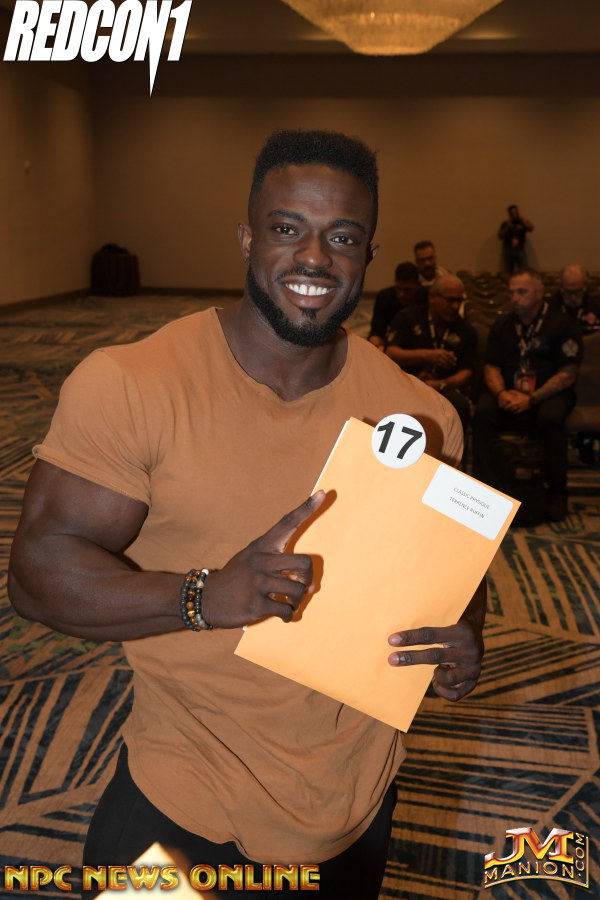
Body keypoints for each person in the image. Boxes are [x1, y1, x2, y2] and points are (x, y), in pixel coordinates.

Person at [8, 130, 486, 900]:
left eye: (343, 237)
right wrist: (204, 595)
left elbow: (454, 582)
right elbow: (37, 573)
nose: (315, 257)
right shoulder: (134, 384)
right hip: (182, 796)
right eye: (287, 227)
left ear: (369, 255)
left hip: (352, 806)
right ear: (246, 237)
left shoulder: (420, 418)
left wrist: (462, 640)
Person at [472, 268, 583, 522]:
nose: (514, 298)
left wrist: (532, 399)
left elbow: (568, 374)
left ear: (539, 293)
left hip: (549, 393)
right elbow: (491, 366)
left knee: (551, 418)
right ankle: (484, 488)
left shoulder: (562, 325)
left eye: (522, 292)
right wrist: (501, 393)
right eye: (512, 292)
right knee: (484, 412)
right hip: (509, 391)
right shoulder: (503, 325)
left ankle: (556, 491)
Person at [385, 275, 476, 436]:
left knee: (460, 405)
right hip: (408, 384)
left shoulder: (466, 330)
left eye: (459, 300)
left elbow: (466, 372)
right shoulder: (408, 317)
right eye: (450, 300)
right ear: (432, 297)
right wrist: (426, 355)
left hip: (443, 389)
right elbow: (391, 353)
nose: (455, 306)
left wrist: (441, 384)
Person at [368, 261, 428, 349]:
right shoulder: (385, 297)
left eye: (407, 290)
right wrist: (376, 346)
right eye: (398, 288)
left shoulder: (427, 297)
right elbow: (377, 333)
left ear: (418, 285)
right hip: (391, 345)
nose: (401, 294)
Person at [550, 263, 600, 334]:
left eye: (578, 291)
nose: (573, 298)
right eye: (568, 292)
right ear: (560, 286)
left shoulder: (596, 304)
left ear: (585, 285)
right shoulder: (550, 306)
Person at [498, 205, 534, 274]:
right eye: (512, 213)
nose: (514, 214)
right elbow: (500, 236)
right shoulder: (505, 223)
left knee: (523, 269)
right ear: (509, 214)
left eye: (516, 212)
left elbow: (531, 228)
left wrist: (523, 220)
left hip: (520, 248)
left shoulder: (523, 222)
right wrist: (508, 226)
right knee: (508, 270)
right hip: (508, 248)